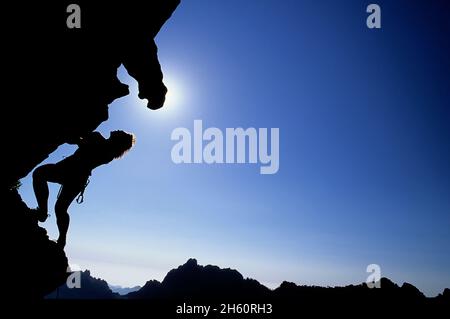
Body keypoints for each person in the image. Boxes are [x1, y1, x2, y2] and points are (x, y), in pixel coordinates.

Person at [32, 130, 135, 248]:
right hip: (77, 178)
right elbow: (83, 141)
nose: (117, 130)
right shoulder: (108, 153)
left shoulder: (105, 149)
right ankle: (61, 239)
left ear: (118, 139)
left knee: (40, 175)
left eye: (120, 132)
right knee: (61, 208)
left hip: (68, 170)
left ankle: (43, 213)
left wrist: (78, 139)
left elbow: (84, 144)